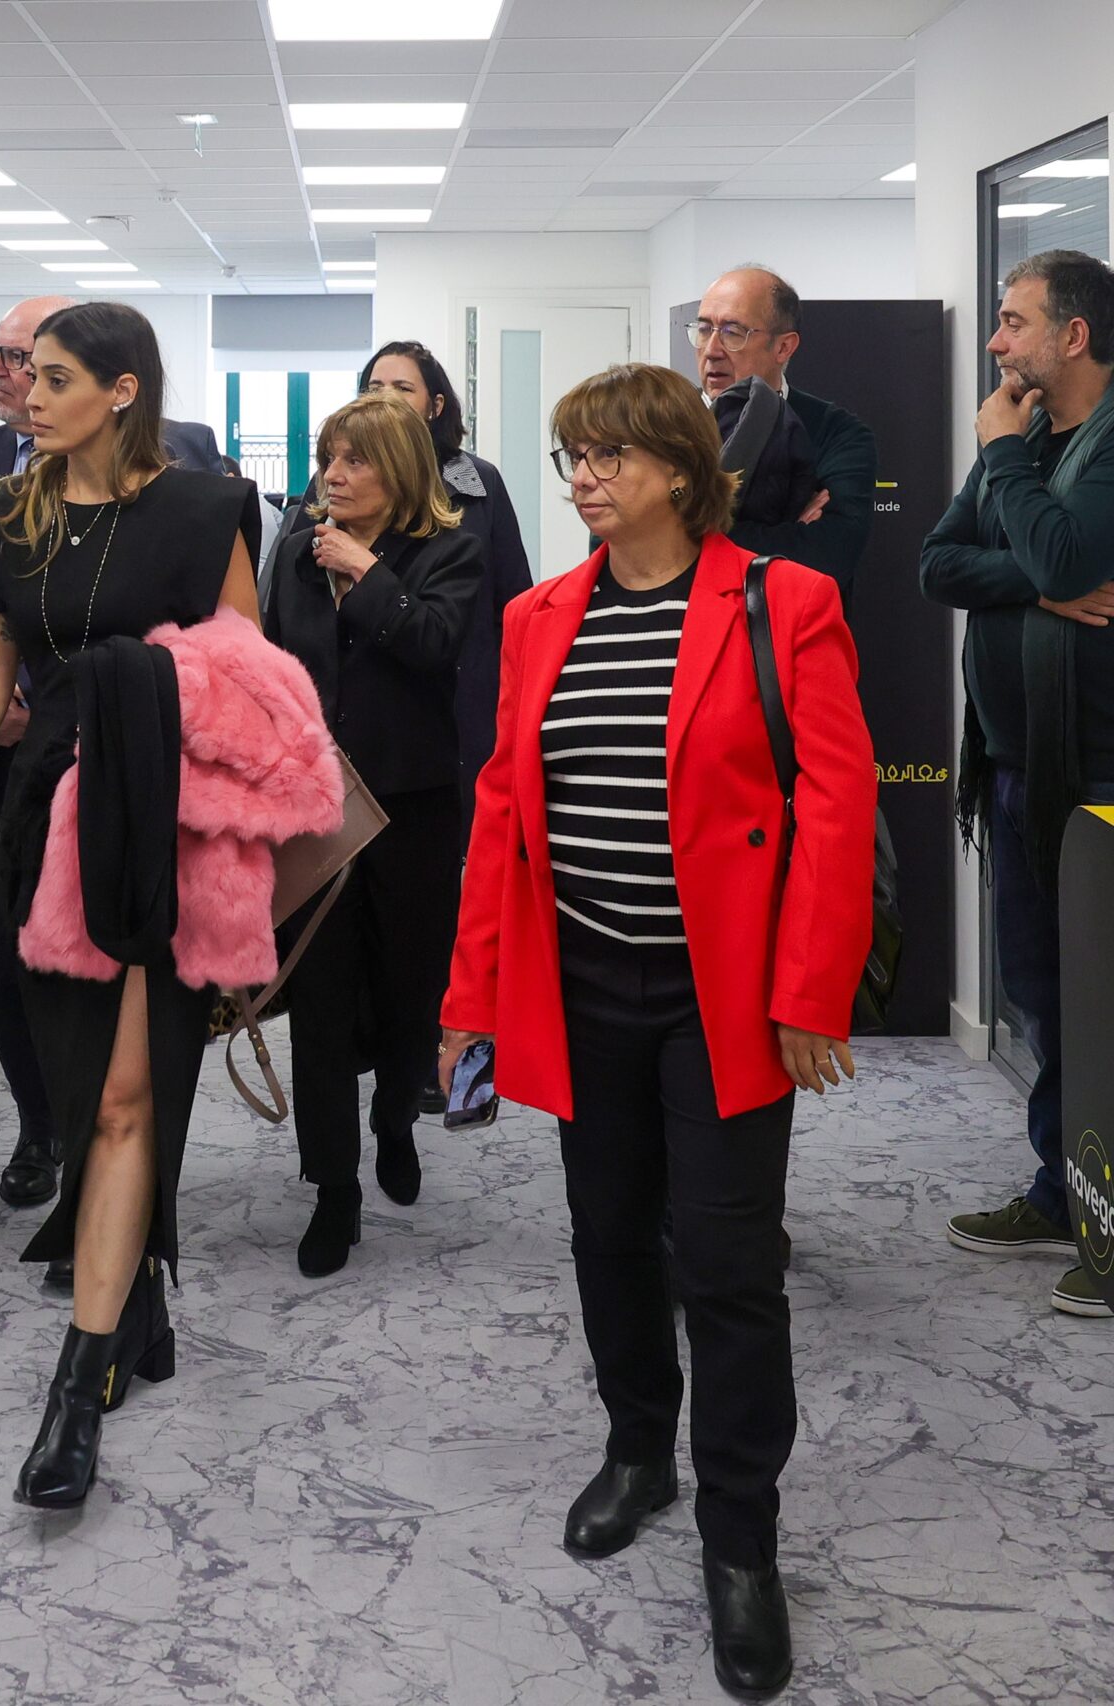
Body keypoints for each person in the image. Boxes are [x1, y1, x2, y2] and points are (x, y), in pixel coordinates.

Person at [440, 361, 874, 1700]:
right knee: (607, 1229)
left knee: (729, 1259)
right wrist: (473, 994)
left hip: (726, 995)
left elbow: (840, 804)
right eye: (573, 456)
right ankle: (641, 1445)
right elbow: (507, 804)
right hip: (583, 983)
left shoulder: (784, 602)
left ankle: (742, 1533)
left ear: (680, 473)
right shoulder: (537, 616)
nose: (583, 477)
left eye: (611, 457)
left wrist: (809, 989)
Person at [0, 301, 272, 1506]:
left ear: (123, 390)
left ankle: (77, 1379)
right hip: (35, 830)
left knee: (124, 1097)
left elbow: (247, 683)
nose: (25, 392)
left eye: (52, 377)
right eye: (22, 374)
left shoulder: (208, 510)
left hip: (154, 831)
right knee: (77, 1090)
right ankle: (141, 1295)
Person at [923, 248, 1114, 1320]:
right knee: (1042, 998)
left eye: (1010, 322)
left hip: (1093, 782)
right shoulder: (1028, 438)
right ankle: (1062, 1188)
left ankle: (1104, 1217)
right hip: (1014, 770)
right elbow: (938, 564)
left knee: (1099, 1012)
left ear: (1071, 335)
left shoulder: (1085, 441)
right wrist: (1040, 593)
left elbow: (1057, 550)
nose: (995, 345)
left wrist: (1001, 464)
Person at [261, 391, 483, 1277]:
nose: (334, 476)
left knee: (408, 991)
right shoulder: (293, 549)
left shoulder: (450, 547)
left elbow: (432, 643)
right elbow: (274, 662)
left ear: (399, 470)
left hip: (412, 805)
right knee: (318, 1004)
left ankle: (396, 1117)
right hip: (316, 807)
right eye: (328, 459)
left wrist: (365, 570)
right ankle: (333, 1191)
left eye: (354, 461)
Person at [357, 340, 534, 832]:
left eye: (402, 387)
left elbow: (514, 600)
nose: (385, 398)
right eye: (374, 388)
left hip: (466, 695)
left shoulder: (477, 482)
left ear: (435, 406)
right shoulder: (339, 479)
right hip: (371, 700)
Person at [689, 267, 878, 602]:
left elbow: (827, 557)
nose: (711, 349)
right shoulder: (662, 429)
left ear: (784, 347)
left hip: (786, 641)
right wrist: (785, 532)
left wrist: (683, 530)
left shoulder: (838, 434)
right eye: (704, 329)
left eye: (733, 332)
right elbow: (616, 548)